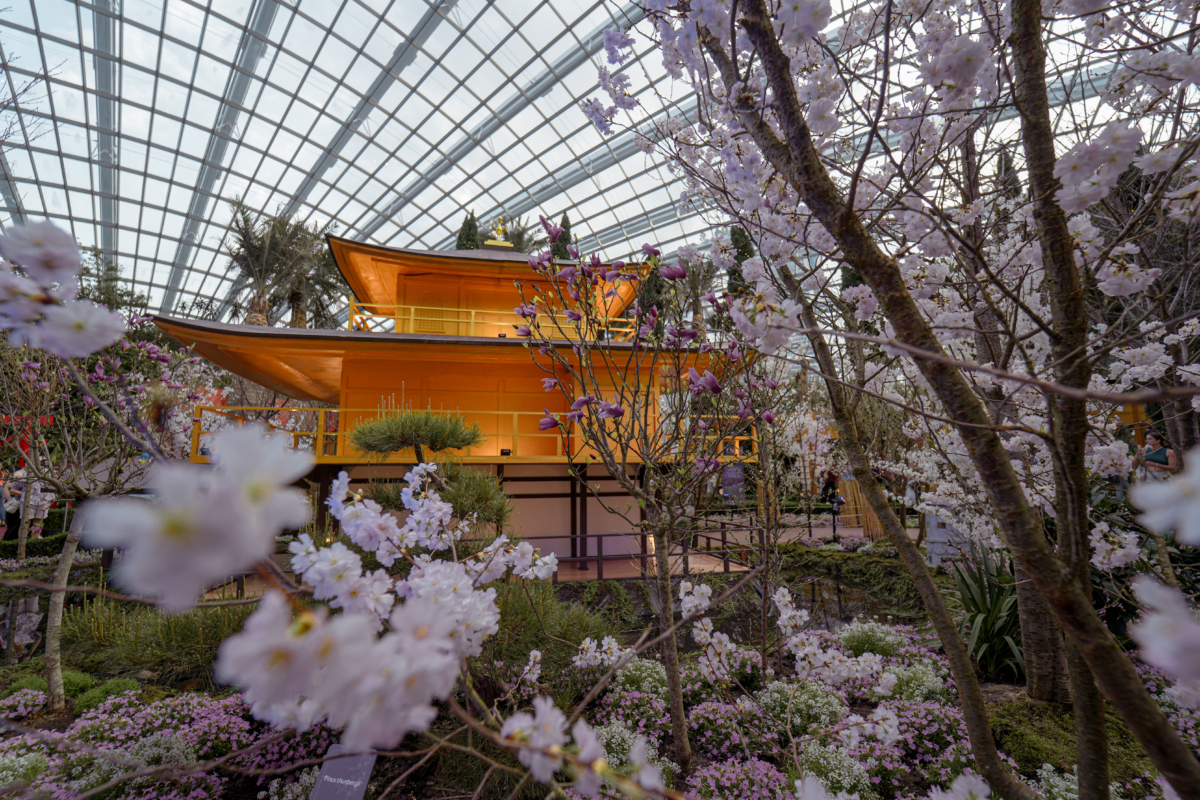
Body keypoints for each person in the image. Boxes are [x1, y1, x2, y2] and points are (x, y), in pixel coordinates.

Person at [2, 468, 22, 540]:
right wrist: (12, 502)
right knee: (16, 523)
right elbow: (6, 489)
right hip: (15, 502)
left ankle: (8, 541)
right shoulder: (18, 475)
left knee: (14, 523)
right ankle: (7, 540)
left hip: (15, 502)